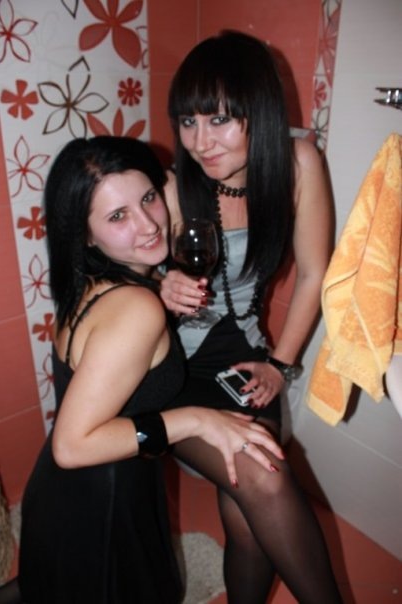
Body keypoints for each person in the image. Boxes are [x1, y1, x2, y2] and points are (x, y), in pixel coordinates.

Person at [14, 135, 283, 604]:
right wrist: (197, 419)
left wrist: (160, 286)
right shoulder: (136, 310)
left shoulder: (89, 284)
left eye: (148, 198)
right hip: (102, 511)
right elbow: (71, 446)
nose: (148, 224)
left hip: (64, 499)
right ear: (86, 234)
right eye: (117, 217)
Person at [158, 31, 344, 603]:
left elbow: (314, 273)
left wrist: (279, 365)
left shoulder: (297, 165)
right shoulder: (170, 184)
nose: (200, 142)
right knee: (263, 474)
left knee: (247, 520)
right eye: (188, 122)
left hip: (245, 358)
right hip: (172, 369)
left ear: (258, 113)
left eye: (219, 120)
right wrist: (158, 284)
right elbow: (113, 274)